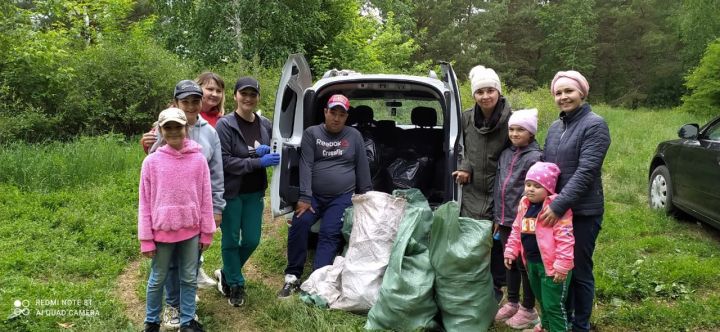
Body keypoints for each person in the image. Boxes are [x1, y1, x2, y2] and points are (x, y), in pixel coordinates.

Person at [145, 80, 225, 329]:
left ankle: (188, 317)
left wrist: (213, 213)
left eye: (195, 100)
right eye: (185, 101)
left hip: (192, 224)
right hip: (164, 227)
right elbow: (148, 195)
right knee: (163, 273)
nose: (190, 105)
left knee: (189, 272)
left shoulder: (208, 137)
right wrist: (146, 236)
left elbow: (213, 179)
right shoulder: (153, 157)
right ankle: (164, 312)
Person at [277, 94, 372, 298]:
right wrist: (305, 196)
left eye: (341, 114)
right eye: (333, 113)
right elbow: (306, 164)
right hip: (314, 196)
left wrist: (366, 196)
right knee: (300, 222)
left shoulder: (353, 136)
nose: (336, 118)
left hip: (342, 197)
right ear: (325, 112)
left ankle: (318, 280)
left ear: (346, 117)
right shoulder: (312, 133)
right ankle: (292, 276)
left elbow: (362, 167)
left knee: (330, 232)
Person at [541, 71, 611, 332]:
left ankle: (580, 325)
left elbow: (586, 171)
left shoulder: (595, 125)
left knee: (579, 271)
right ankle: (564, 318)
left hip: (582, 212)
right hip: (556, 212)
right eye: (558, 93)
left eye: (569, 91)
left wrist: (558, 205)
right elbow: (545, 167)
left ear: (582, 92)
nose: (563, 97)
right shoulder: (555, 127)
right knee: (562, 270)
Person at [213, 76, 279, 307]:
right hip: (231, 192)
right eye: (244, 93)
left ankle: (226, 271)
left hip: (254, 191)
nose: (248, 98)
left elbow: (275, 149)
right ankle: (236, 283)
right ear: (235, 96)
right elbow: (224, 161)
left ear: (258, 97)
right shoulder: (225, 124)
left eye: (253, 94)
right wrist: (256, 160)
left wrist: (267, 150)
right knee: (230, 240)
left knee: (251, 240)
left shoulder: (265, 124)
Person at [451, 65, 511, 301]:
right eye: (480, 92)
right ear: (474, 95)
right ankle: (472, 282)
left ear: (498, 91)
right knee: (472, 235)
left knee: (497, 239)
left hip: (500, 188)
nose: (485, 96)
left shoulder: (511, 119)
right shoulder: (466, 117)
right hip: (472, 188)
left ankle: (496, 288)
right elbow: (458, 147)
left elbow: (520, 151)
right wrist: (465, 165)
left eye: (490, 90)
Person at [504, 162, 574, 332]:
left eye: (537, 186)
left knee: (553, 305)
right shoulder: (524, 205)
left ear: (549, 188)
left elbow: (565, 238)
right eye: (528, 185)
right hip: (532, 264)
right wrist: (511, 250)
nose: (530, 189)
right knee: (542, 300)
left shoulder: (556, 209)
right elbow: (516, 229)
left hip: (552, 268)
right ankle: (545, 327)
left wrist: (562, 265)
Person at [493, 108, 543, 329]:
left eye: (520, 130)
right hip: (504, 219)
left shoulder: (535, 157)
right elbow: (498, 186)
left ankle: (528, 307)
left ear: (531, 133)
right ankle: (512, 301)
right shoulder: (505, 154)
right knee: (509, 260)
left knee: (526, 265)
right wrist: (497, 215)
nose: (514, 133)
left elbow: (535, 191)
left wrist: (527, 215)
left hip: (524, 221)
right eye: (511, 129)